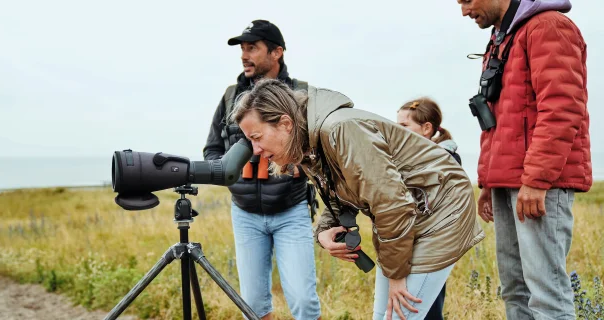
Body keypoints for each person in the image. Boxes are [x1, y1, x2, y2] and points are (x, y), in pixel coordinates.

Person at [231, 79, 485, 320]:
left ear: (285, 123)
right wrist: (324, 231)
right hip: (409, 215)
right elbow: (340, 193)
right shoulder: (306, 142)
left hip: (439, 213)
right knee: (383, 315)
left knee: (398, 315)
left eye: (256, 137)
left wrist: (397, 275)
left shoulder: (340, 129)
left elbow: (391, 202)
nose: (255, 151)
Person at [457, 0, 591, 319]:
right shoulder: (503, 37)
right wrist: (489, 182)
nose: (463, 11)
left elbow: (561, 108)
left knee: (546, 293)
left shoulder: (547, 26)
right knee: (515, 290)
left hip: (538, 186)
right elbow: (496, 119)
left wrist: (536, 179)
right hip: (509, 182)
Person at [202, 20, 321, 320]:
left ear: (277, 52)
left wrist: (299, 165)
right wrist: (232, 172)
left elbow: (320, 151)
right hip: (245, 215)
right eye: (242, 49)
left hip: (291, 210)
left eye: (252, 48)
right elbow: (211, 151)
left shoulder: (302, 94)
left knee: (304, 302)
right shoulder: (231, 97)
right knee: (253, 306)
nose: (245, 55)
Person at [372, 97, 463, 320]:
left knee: (422, 308)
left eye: (404, 126)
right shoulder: (403, 159)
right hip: (404, 241)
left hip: (430, 245)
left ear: (426, 128)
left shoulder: (445, 161)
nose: (396, 131)